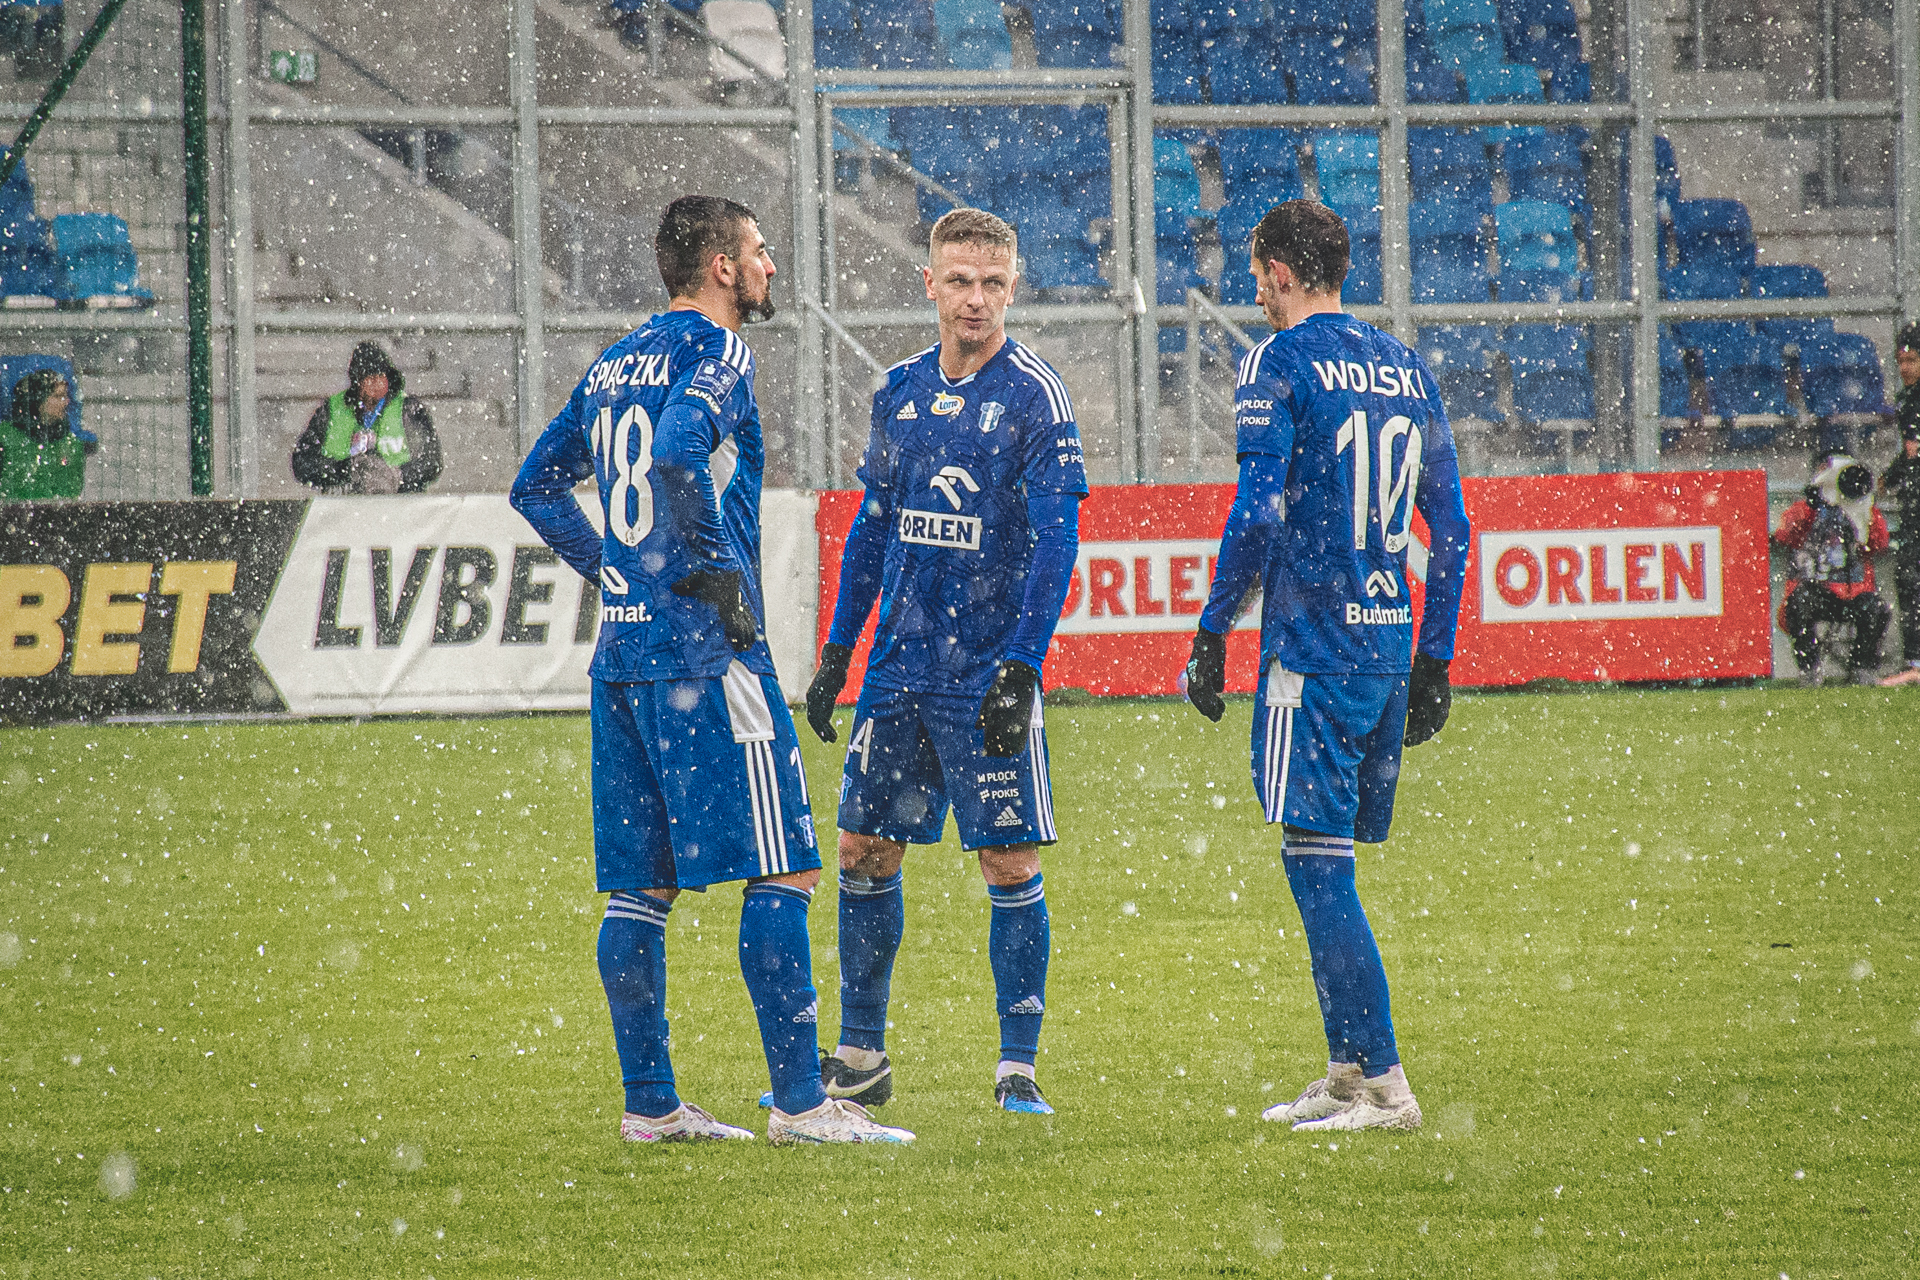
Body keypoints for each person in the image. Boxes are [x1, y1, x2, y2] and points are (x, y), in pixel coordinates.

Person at [510, 195, 912, 1146]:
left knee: (639, 889)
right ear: (723, 266)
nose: (771, 266)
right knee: (788, 867)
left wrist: (615, 570)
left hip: (624, 657)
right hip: (709, 655)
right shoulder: (719, 350)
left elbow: (535, 486)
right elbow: (682, 450)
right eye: (760, 251)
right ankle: (802, 1106)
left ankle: (650, 1104)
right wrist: (718, 575)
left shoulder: (615, 362)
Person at [1179, 200, 1471, 1133]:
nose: (1256, 294)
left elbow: (1258, 512)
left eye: (1257, 277)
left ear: (1278, 272)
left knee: (1317, 870)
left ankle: (1386, 1085)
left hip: (1312, 650)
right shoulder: (1404, 365)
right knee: (1325, 861)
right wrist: (1435, 659)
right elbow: (1453, 527)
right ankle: (1346, 1072)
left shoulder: (1278, 360)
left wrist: (1213, 627)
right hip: (1385, 649)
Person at [802, 207, 1087, 1117]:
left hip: (985, 673)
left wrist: (1022, 667)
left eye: (992, 283)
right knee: (863, 849)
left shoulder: (1036, 396)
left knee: (1006, 859)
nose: (976, 299)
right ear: (929, 283)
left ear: (1014, 287)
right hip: (900, 669)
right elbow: (873, 529)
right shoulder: (899, 390)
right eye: (960, 281)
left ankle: (1017, 1068)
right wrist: (839, 651)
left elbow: (1057, 540)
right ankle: (861, 1054)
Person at [1774, 452, 1891, 686]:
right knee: (1798, 604)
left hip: (1854, 591)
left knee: (1876, 609)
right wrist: (1811, 507)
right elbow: (1784, 535)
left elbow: (1879, 543)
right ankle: (1810, 669)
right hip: (1816, 589)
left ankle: (1862, 667)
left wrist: (1864, 511)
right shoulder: (1805, 508)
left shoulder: (1863, 509)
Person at [292, 341, 443, 495]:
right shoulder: (331, 409)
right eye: (370, 378)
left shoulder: (408, 409)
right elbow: (302, 464)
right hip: (342, 504)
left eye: (381, 376)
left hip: (399, 503)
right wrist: (344, 470)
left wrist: (396, 476)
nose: (377, 384)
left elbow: (431, 463)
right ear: (357, 382)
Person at [1877, 322, 1920, 686]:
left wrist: (1892, 477)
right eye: (1901, 360)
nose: (1905, 367)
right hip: (1913, 503)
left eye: (1912, 360)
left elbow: (1913, 454)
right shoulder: (1909, 401)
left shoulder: (1912, 403)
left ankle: (1915, 663)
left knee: (1909, 577)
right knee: (1908, 576)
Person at [0, 366, 94, 500]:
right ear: (39, 400)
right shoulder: (5, 437)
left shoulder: (72, 445)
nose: (66, 402)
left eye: (66, 396)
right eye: (58, 396)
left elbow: (72, 495)